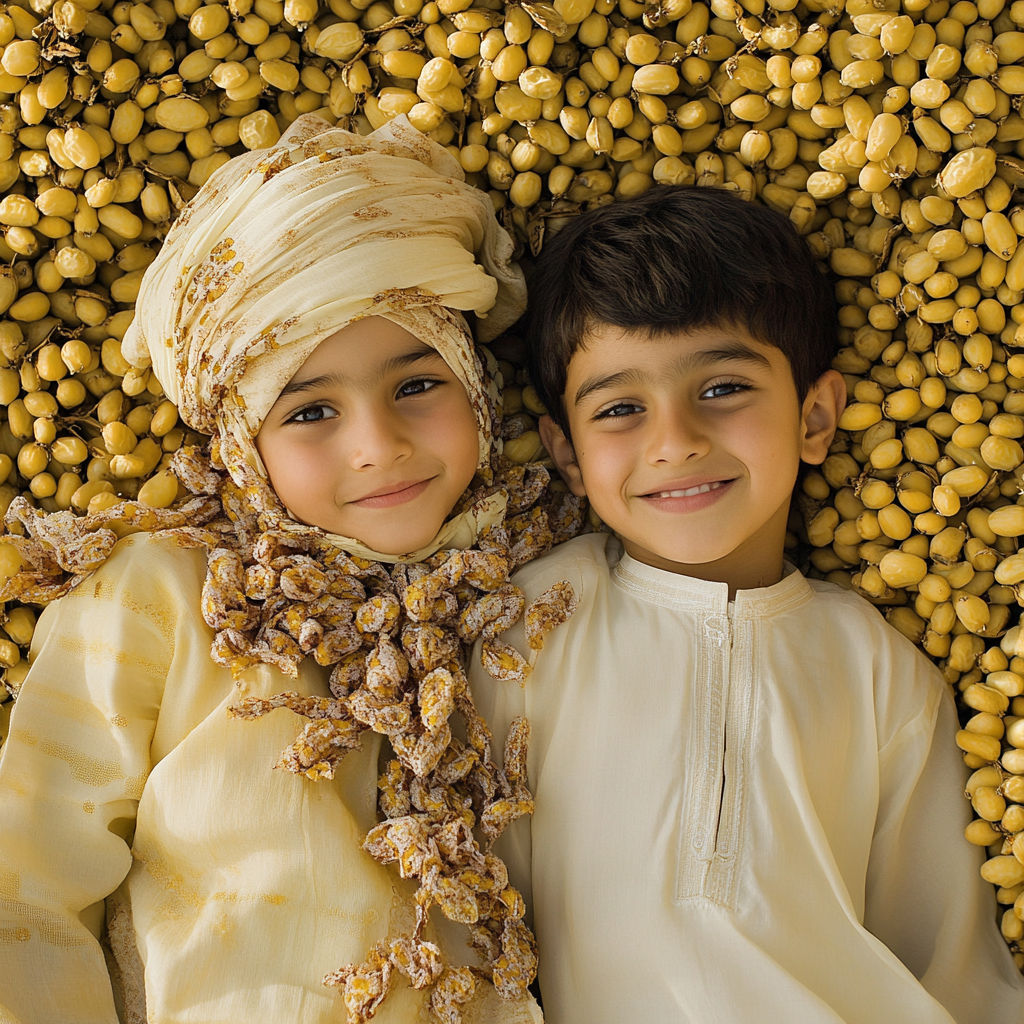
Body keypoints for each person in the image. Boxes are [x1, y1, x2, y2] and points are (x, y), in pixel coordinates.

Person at [0, 114, 581, 1024]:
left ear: (477, 382)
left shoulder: (535, 590)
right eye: (310, 411)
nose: (376, 446)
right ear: (241, 441)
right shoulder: (163, 592)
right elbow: (25, 884)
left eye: (418, 385)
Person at [469, 186, 1024, 1024]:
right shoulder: (527, 627)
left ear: (814, 416)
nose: (675, 439)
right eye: (620, 409)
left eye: (723, 388)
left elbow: (951, 957)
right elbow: (472, 914)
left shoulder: (880, 671)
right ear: (568, 456)